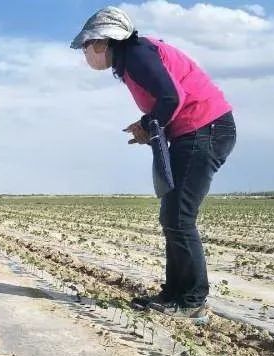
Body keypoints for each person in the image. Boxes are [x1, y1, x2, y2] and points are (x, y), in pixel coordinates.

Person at [71, 6, 237, 323]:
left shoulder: (136, 54)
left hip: (205, 130)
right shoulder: (133, 59)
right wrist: (148, 123)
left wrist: (151, 125)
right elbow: (166, 100)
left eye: (88, 45)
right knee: (172, 216)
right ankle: (173, 294)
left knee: (179, 216)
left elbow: (172, 97)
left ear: (106, 41)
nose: (87, 53)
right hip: (194, 132)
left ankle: (191, 301)